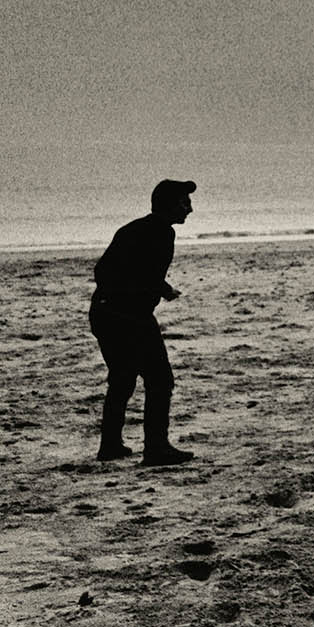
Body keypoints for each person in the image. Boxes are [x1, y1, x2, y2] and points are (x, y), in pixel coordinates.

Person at [90, 179, 198, 466]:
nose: (189, 209)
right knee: (160, 380)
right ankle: (156, 448)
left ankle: (110, 446)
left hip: (105, 312)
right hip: (127, 316)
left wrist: (161, 289)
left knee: (123, 380)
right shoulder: (161, 234)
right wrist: (143, 295)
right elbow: (118, 272)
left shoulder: (138, 229)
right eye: (184, 203)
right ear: (168, 205)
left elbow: (123, 269)